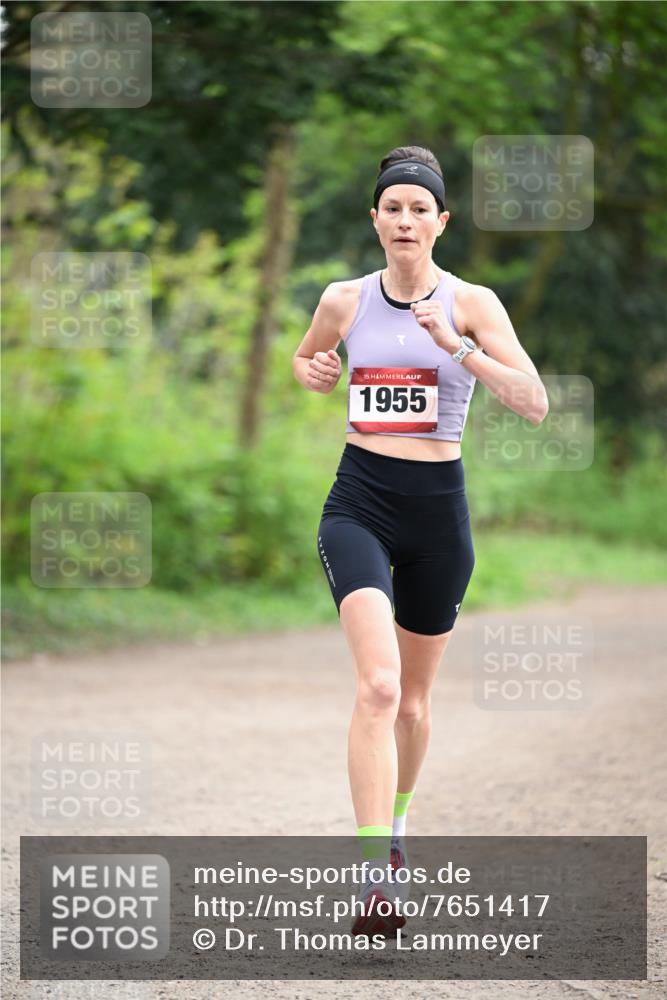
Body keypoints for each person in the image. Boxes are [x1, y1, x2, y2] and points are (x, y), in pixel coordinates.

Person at [292, 145, 548, 938]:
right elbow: (308, 355)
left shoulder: (472, 302)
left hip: (440, 515)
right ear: (374, 220)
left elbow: (533, 402)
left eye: (418, 209)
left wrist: (457, 347)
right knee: (375, 686)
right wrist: (311, 369)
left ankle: (397, 830)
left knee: (412, 699)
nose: (404, 221)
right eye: (391, 208)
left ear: (440, 222)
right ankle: (374, 878)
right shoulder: (343, 299)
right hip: (359, 502)